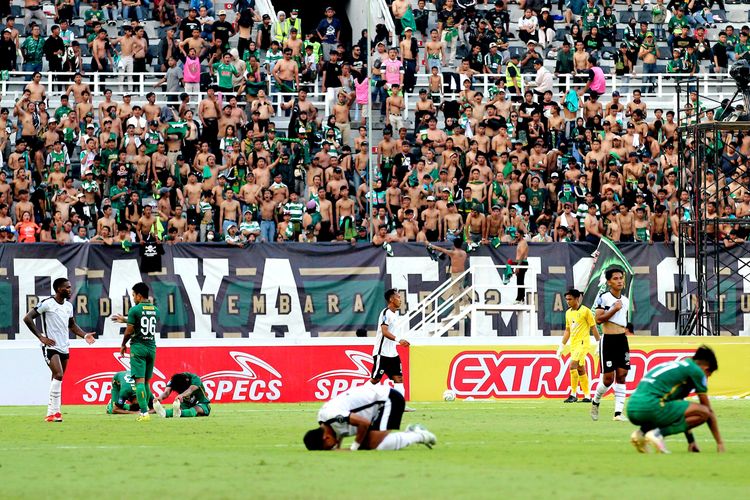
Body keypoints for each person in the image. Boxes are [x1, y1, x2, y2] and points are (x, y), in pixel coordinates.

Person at [23, 277, 96, 422]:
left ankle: (54, 413)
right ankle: (52, 413)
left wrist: (85, 335)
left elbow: (72, 325)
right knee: (58, 374)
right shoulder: (47, 304)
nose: (70, 290)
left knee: (57, 378)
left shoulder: (68, 306)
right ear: (58, 289)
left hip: (64, 347)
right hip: (50, 346)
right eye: (67, 287)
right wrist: (41, 337)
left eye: (70, 287)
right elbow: (27, 318)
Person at [628, 346, 724, 454]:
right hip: (651, 407)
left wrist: (691, 441)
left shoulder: (678, 366)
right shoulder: (696, 371)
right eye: (708, 375)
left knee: (672, 410)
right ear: (706, 368)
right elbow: (707, 411)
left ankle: (641, 433)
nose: (706, 378)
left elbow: (682, 413)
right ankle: (658, 434)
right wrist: (720, 443)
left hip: (632, 408)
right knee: (703, 412)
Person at [303, 383, 436, 451]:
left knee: (375, 444)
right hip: (376, 406)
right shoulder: (325, 421)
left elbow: (364, 424)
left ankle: (419, 434)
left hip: (389, 399)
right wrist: (339, 448)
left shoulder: (331, 416)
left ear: (325, 437)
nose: (332, 448)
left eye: (328, 447)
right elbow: (339, 431)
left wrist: (353, 448)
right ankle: (412, 432)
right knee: (365, 444)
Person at [110, 282, 158, 422]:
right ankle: (149, 408)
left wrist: (123, 344)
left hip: (138, 348)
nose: (133, 298)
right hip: (151, 348)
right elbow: (143, 321)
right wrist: (125, 319)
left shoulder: (134, 310)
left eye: (133, 295)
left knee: (139, 382)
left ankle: (144, 413)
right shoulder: (155, 309)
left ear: (139, 295)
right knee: (147, 382)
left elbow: (130, 330)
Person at [591, 268, 630, 421]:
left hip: (622, 339)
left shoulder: (625, 300)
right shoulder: (604, 298)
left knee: (622, 375)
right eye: (615, 278)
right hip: (608, 340)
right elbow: (598, 319)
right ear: (609, 282)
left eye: (621, 278)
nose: (619, 281)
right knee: (608, 379)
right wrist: (614, 309)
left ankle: (618, 413)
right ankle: (596, 400)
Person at [557, 288, 600, 403]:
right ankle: (587, 395)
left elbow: (593, 327)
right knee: (580, 369)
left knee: (573, 365)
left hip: (583, 343)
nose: (568, 301)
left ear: (577, 298)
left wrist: (598, 343)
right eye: (566, 299)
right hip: (574, 344)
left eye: (570, 299)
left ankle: (573, 394)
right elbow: (567, 330)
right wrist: (562, 345)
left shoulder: (586, 311)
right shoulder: (568, 313)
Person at [372, 288, 411, 409]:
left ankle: (400, 406)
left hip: (393, 354)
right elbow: (384, 332)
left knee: (399, 379)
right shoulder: (386, 313)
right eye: (398, 297)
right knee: (375, 380)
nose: (400, 300)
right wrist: (399, 340)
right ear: (391, 299)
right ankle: (357, 401)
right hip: (381, 353)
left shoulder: (395, 315)